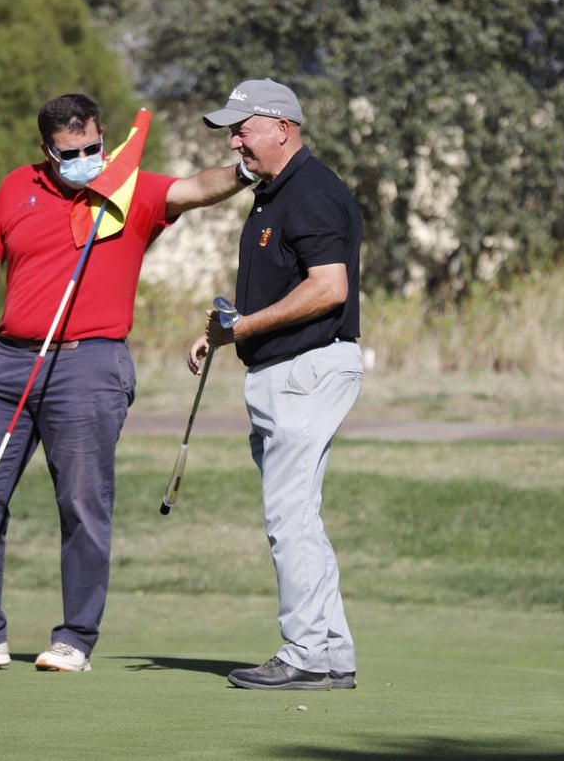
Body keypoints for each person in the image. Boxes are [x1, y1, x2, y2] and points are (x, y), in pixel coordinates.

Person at [0, 93, 251, 673]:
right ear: (46, 150)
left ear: (104, 135)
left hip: (89, 364)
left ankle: (75, 638)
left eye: (93, 147)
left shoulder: (129, 187)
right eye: (69, 153)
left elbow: (195, 188)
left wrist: (249, 168)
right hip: (6, 363)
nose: (84, 159)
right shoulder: (17, 187)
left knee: (80, 499)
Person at [187, 79, 364, 690]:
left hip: (305, 368)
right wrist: (224, 332)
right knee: (301, 519)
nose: (234, 139)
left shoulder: (310, 192)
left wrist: (244, 328)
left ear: (282, 127)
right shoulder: (272, 193)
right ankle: (332, 652)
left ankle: (306, 653)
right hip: (286, 369)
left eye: (242, 128)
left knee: (288, 519)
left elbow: (328, 287)